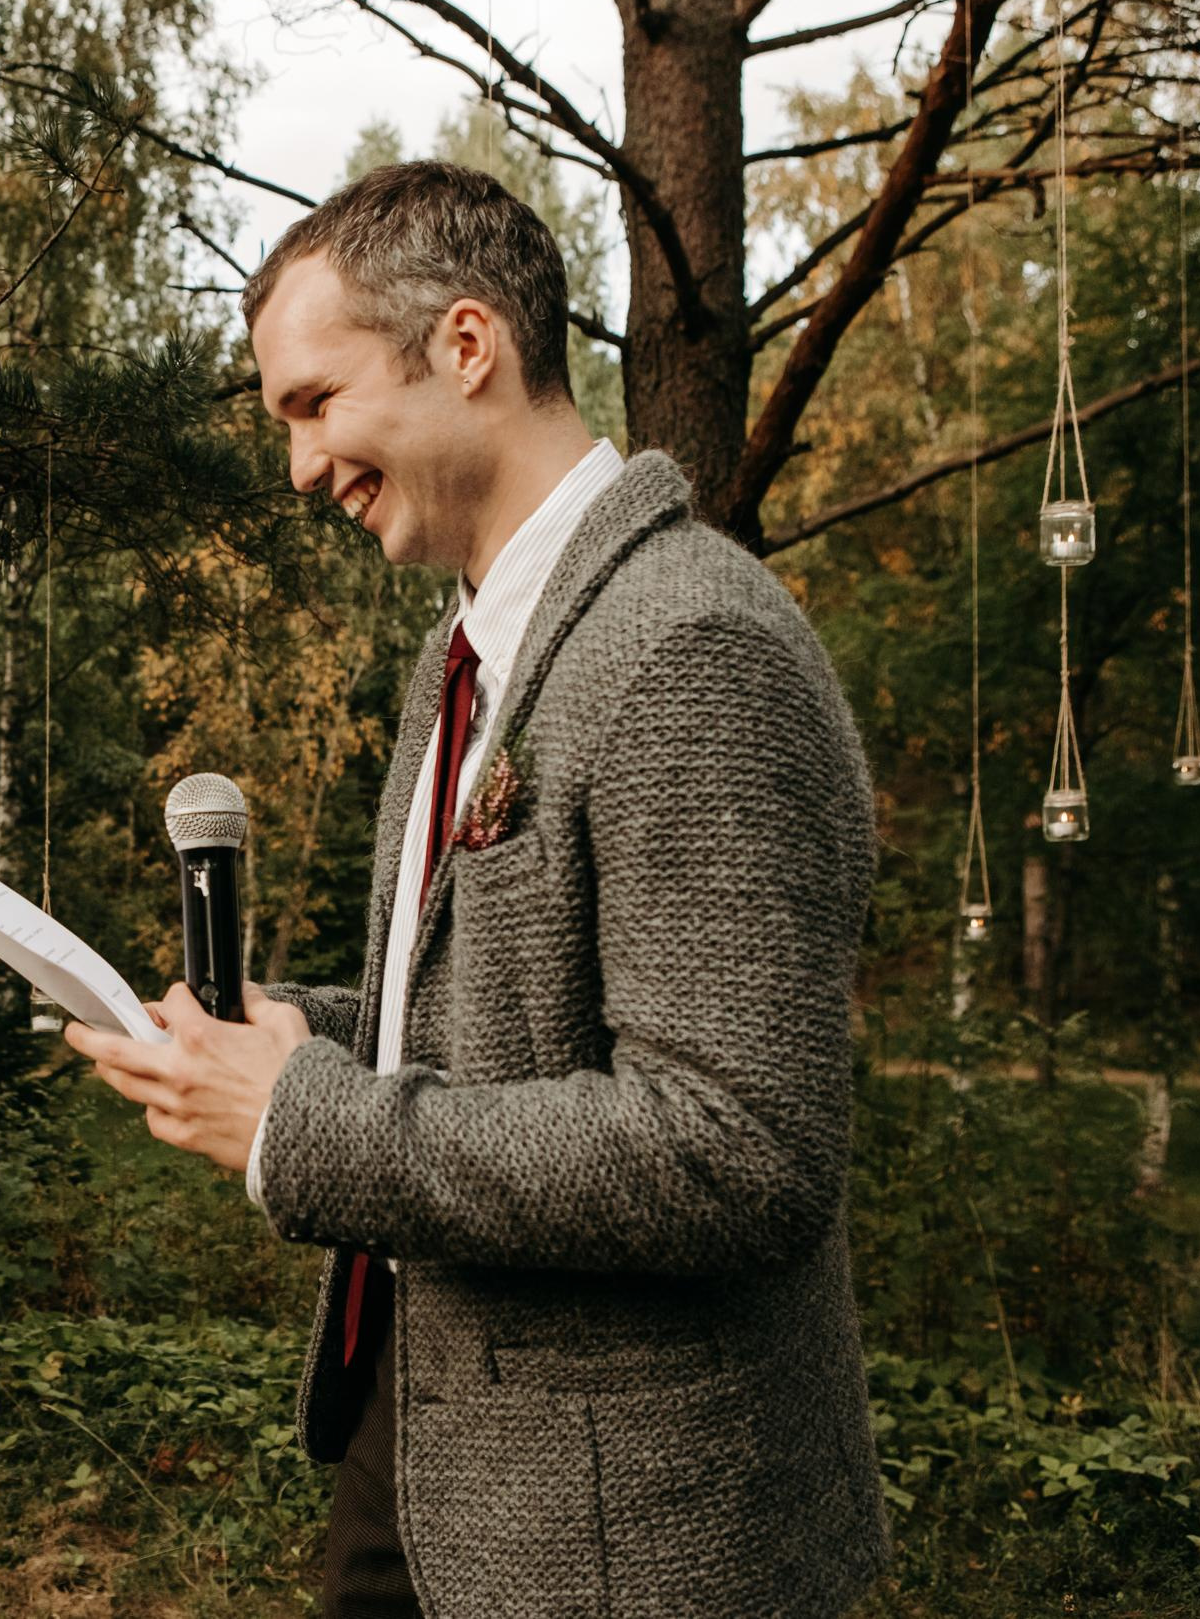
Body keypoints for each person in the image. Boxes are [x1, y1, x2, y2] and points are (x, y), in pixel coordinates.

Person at [66, 161, 890, 1618]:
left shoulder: (690, 644)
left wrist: (302, 1123)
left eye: (315, 403)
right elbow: (489, 1019)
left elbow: (737, 1147)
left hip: (625, 1526)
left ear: (465, 345)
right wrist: (290, 1030)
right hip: (428, 1436)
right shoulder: (468, 652)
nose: (300, 467)